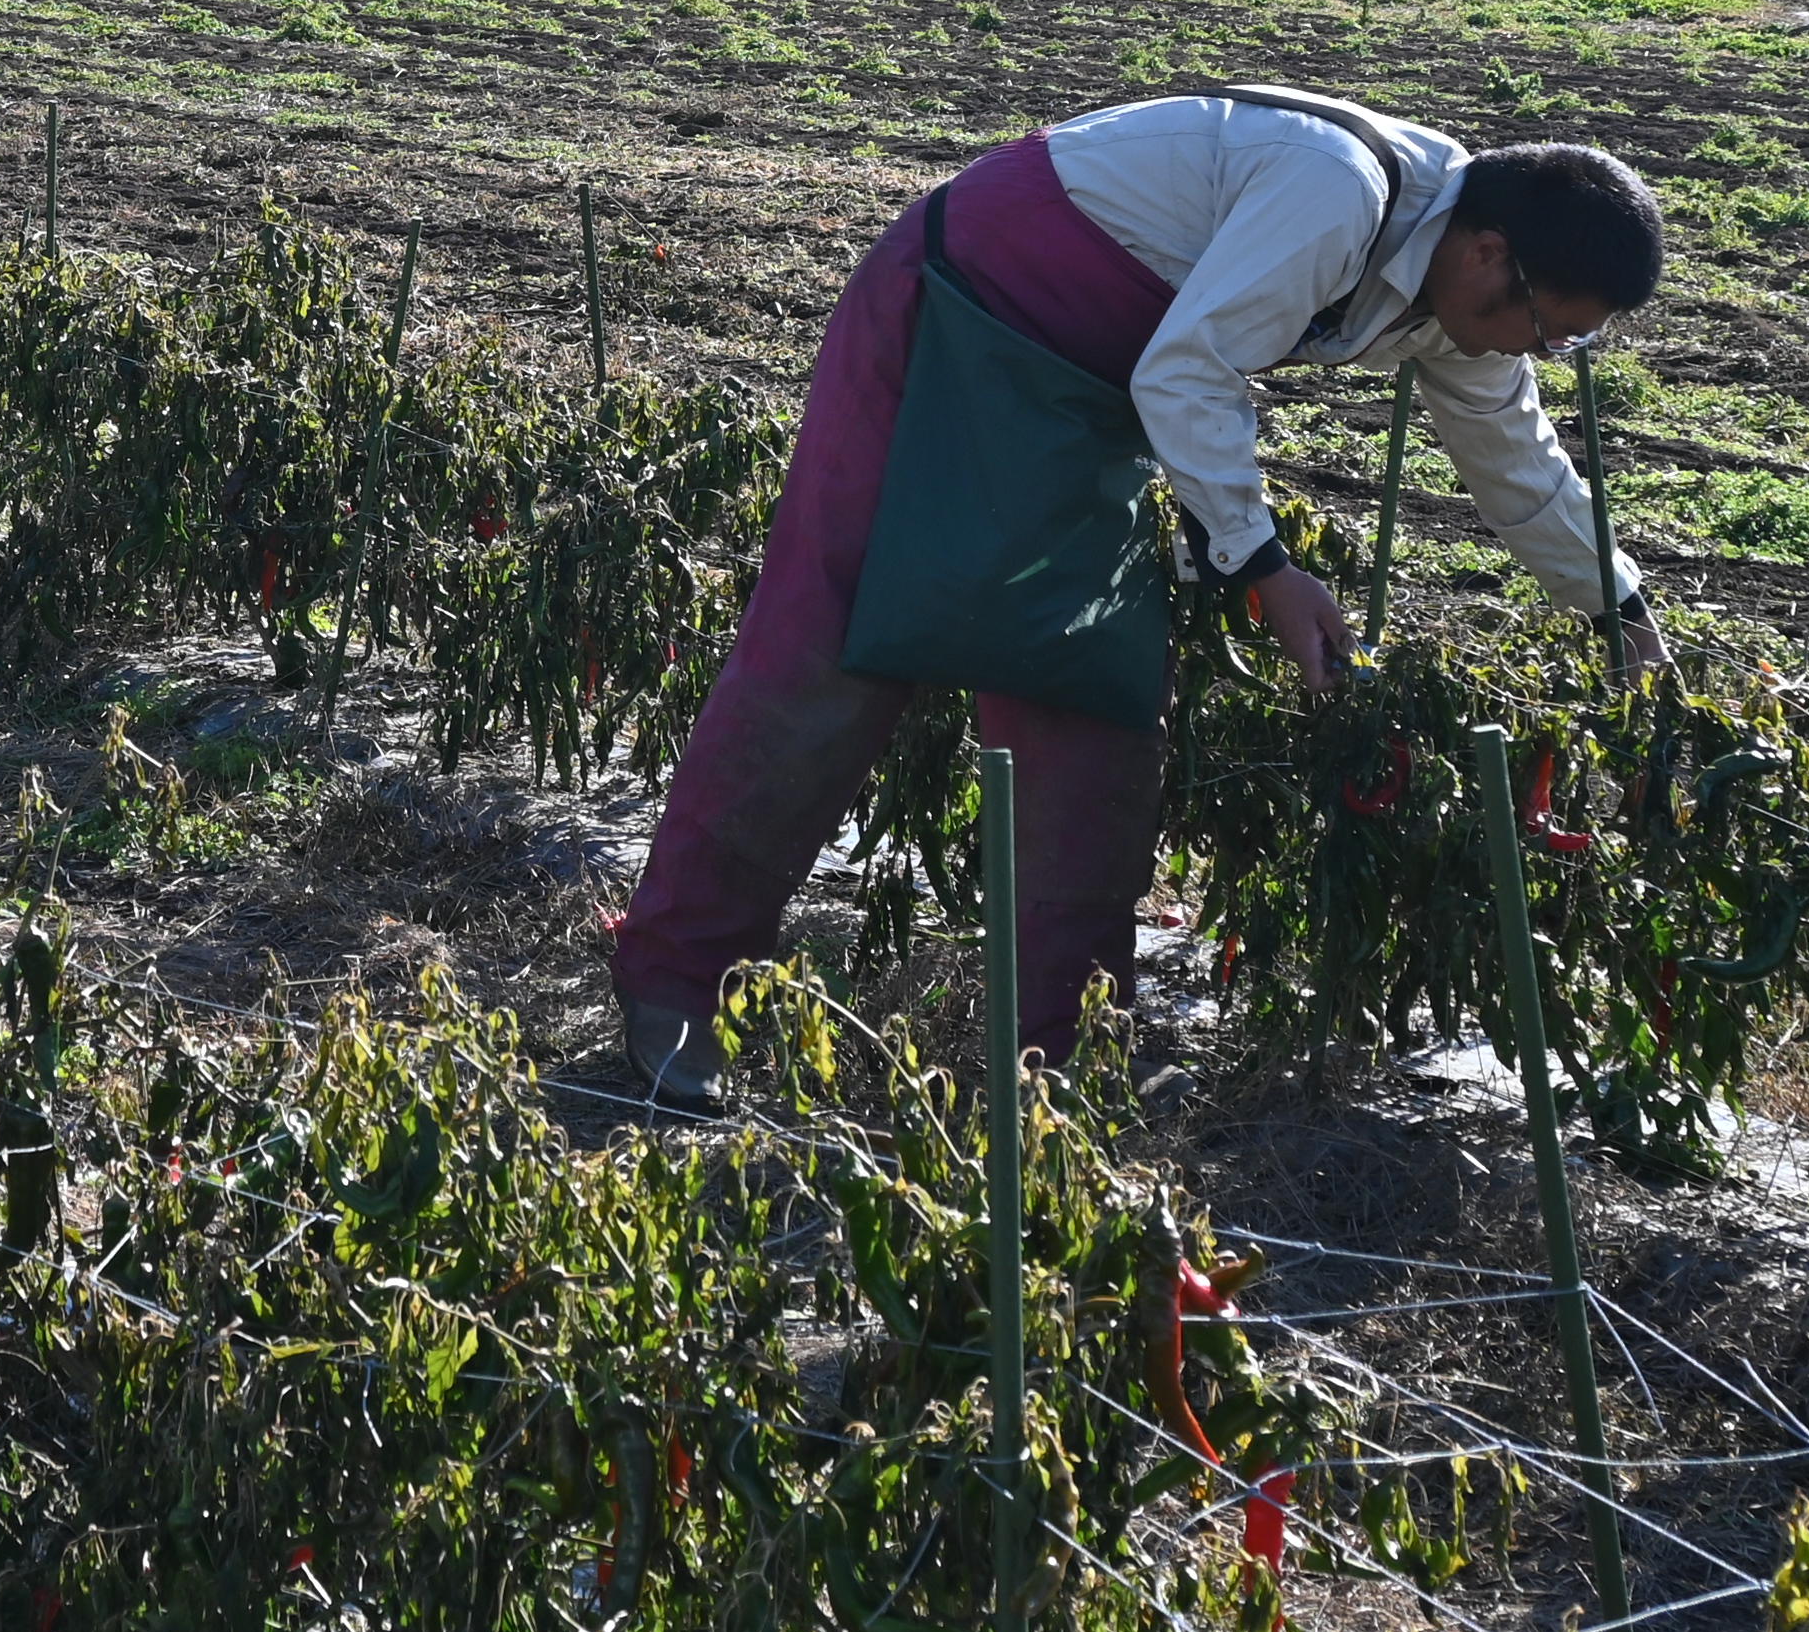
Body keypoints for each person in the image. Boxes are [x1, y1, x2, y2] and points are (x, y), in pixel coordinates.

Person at [606, 84, 1665, 1109]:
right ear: (1491, 255)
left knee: (1093, 698)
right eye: (1549, 328)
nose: (1541, 352)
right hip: (956, 314)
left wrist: (1618, 606)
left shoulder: (1463, 302)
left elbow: (1519, 467)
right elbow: (1191, 370)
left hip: (1085, 400)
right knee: (832, 655)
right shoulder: (1336, 193)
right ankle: (675, 978)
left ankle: (1062, 1054)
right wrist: (1263, 567)